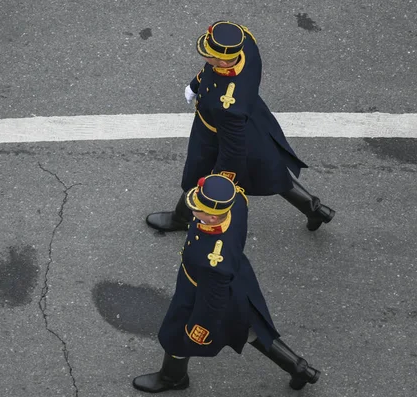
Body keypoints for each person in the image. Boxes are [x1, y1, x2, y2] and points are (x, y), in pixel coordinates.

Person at [133, 173, 320, 393]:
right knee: (251, 330)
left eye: (198, 208)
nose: (192, 210)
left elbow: (211, 304)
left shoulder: (213, 260)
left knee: (176, 335)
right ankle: (300, 369)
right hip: (237, 278)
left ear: (212, 217)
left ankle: (173, 377)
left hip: (202, 290)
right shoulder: (235, 203)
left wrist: (196, 331)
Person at [146, 21, 335, 233]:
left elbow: (232, 152)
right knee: (270, 169)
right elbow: (213, 65)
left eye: (208, 55)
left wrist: (217, 181)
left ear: (224, 64)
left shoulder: (225, 106)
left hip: (218, 135)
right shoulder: (244, 44)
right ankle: (314, 209)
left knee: (197, 177)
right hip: (252, 119)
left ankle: (181, 218)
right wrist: (196, 83)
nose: (204, 57)